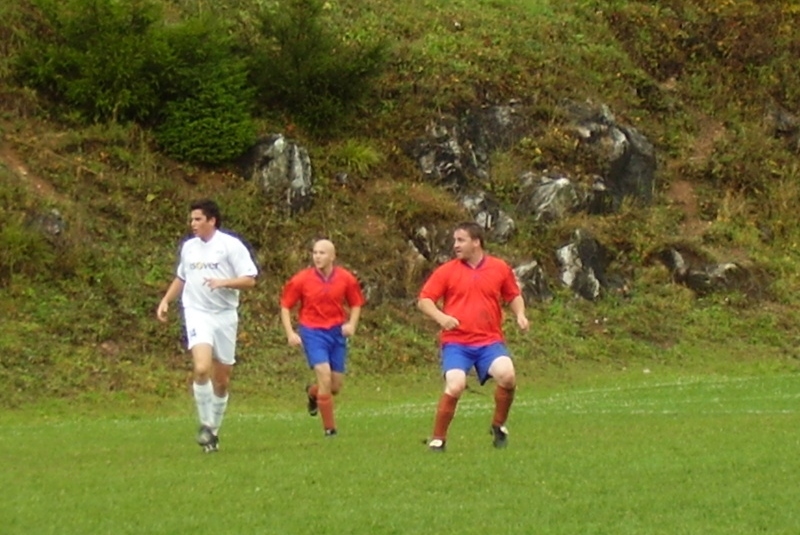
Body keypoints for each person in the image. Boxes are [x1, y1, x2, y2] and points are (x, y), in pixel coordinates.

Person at [156, 199, 258, 453]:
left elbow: (250, 280)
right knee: (201, 368)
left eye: (198, 219)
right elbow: (182, 277)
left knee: (221, 381)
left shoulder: (230, 246)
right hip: (197, 312)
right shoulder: (189, 248)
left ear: (212, 221)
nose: (193, 224)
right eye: (191, 220)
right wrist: (166, 300)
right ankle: (205, 425)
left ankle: (213, 430)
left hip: (224, 315)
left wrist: (225, 283)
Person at [417, 221, 529, 452]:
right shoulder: (447, 270)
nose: (455, 245)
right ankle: (438, 439)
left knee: (507, 376)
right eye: (455, 240)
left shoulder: (499, 268)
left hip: (489, 342)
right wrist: (442, 318)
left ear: (476, 242)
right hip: (457, 343)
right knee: (456, 385)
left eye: (461, 240)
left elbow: (513, 295)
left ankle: (498, 425)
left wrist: (520, 315)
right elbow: (424, 300)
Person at [280, 239, 365, 437]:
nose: (317, 256)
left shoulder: (346, 278)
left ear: (332, 256)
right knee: (324, 375)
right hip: (312, 332)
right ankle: (330, 430)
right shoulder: (302, 279)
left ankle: (312, 392)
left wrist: (351, 324)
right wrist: (290, 333)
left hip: (336, 333)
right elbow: (285, 305)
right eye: (315, 252)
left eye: (322, 253)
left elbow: (356, 303)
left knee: (334, 386)